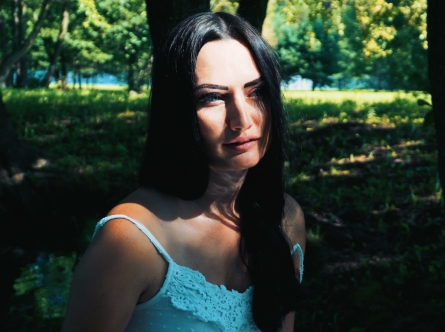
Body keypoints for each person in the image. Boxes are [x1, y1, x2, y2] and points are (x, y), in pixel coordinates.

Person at [61, 12, 306, 332]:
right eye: (213, 98)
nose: (242, 120)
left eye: (256, 91)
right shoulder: (130, 240)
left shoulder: (286, 217)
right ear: (177, 111)